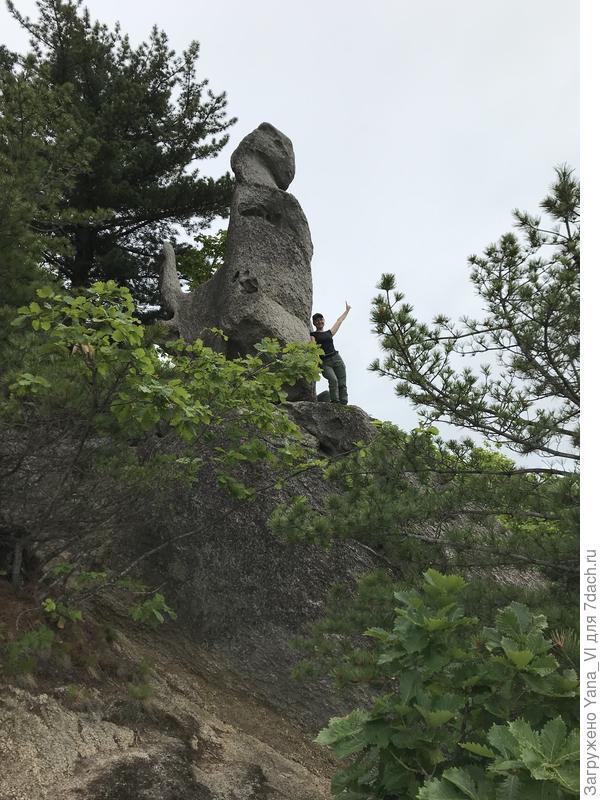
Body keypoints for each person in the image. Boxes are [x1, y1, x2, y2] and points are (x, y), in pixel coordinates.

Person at [310, 302, 351, 404]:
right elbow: (313, 348)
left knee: (342, 381)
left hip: (336, 358)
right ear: (314, 323)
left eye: (321, 320)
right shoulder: (313, 335)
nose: (319, 322)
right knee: (333, 380)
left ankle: (344, 401)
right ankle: (335, 401)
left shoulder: (329, 333)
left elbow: (339, 321)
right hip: (325, 362)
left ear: (323, 321)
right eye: (317, 321)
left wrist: (347, 311)